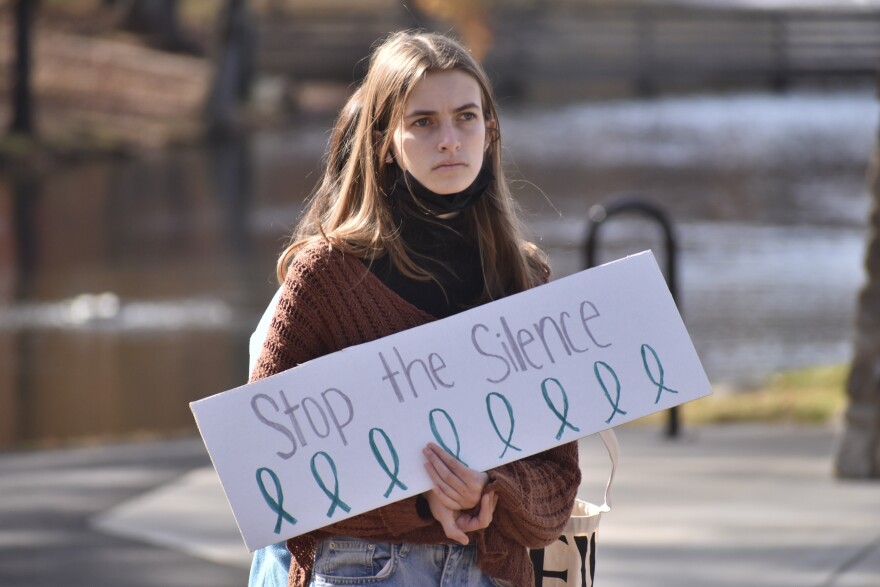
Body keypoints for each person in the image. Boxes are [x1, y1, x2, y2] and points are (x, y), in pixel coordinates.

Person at [247, 30, 581, 587]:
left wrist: (491, 489)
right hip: (365, 569)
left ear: (490, 130)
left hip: (491, 571)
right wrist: (417, 500)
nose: (449, 139)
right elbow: (266, 474)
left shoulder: (525, 282)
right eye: (423, 122)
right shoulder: (325, 276)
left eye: (466, 117)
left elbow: (559, 482)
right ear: (384, 139)